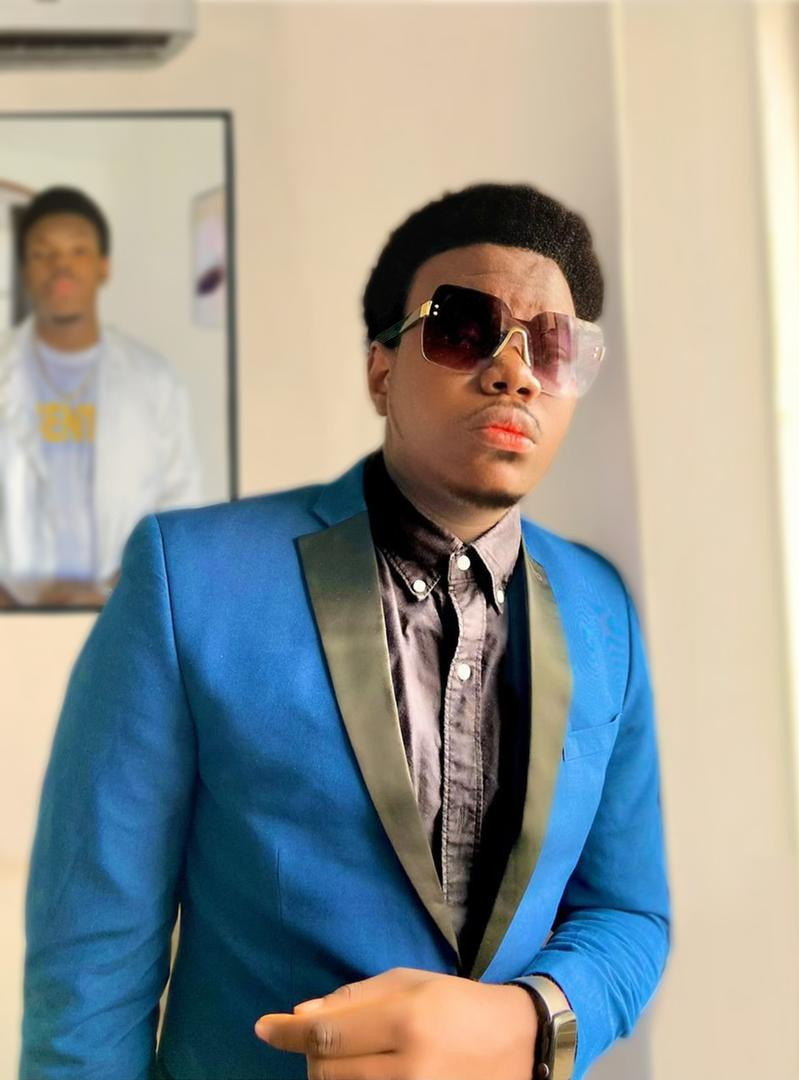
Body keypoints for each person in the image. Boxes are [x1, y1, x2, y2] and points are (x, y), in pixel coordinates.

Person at [20, 182, 670, 1080]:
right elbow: (91, 959)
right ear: (381, 371)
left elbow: (628, 912)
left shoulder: (602, 609)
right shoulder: (189, 580)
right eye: (463, 328)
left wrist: (528, 1020)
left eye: (551, 346)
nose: (514, 372)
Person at [0, 185, 201, 609]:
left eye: (78, 251)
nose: (61, 267)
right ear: (24, 268)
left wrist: (115, 591)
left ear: (103, 266)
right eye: (43, 253)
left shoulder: (155, 380)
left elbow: (181, 510)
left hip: (123, 611)